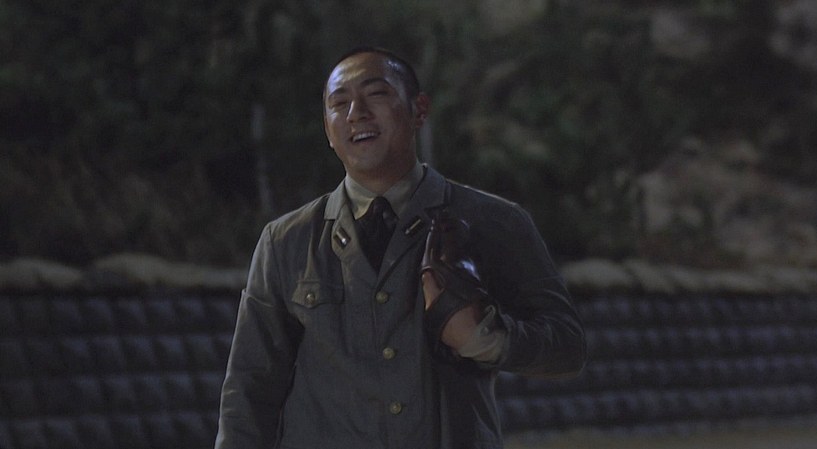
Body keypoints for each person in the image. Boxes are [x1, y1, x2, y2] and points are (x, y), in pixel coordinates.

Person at [215, 47, 586, 449]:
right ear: (327, 130)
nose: (356, 113)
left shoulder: (494, 222)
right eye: (340, 103)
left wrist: (484, 338)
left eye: (376, 94)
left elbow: (567, 346)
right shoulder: (286, 242)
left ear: (419, 110)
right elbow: (249, 390)